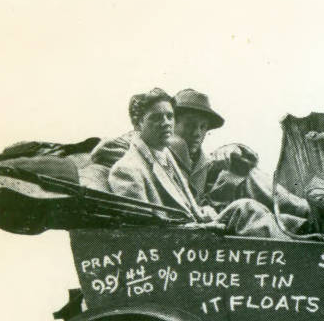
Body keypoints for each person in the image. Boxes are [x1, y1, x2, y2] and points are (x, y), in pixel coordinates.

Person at [108, 88, 288, 237]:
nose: (165, 123)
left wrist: (203, 212)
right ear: (138, 124)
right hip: (179, 244)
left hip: (196, 227)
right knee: (249, 211)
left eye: (169, 117)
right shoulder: (127, 169)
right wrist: (200, 226)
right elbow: (140, 234)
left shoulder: (166, 155)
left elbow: (189, 206)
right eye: (156, 118)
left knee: (247, 208)